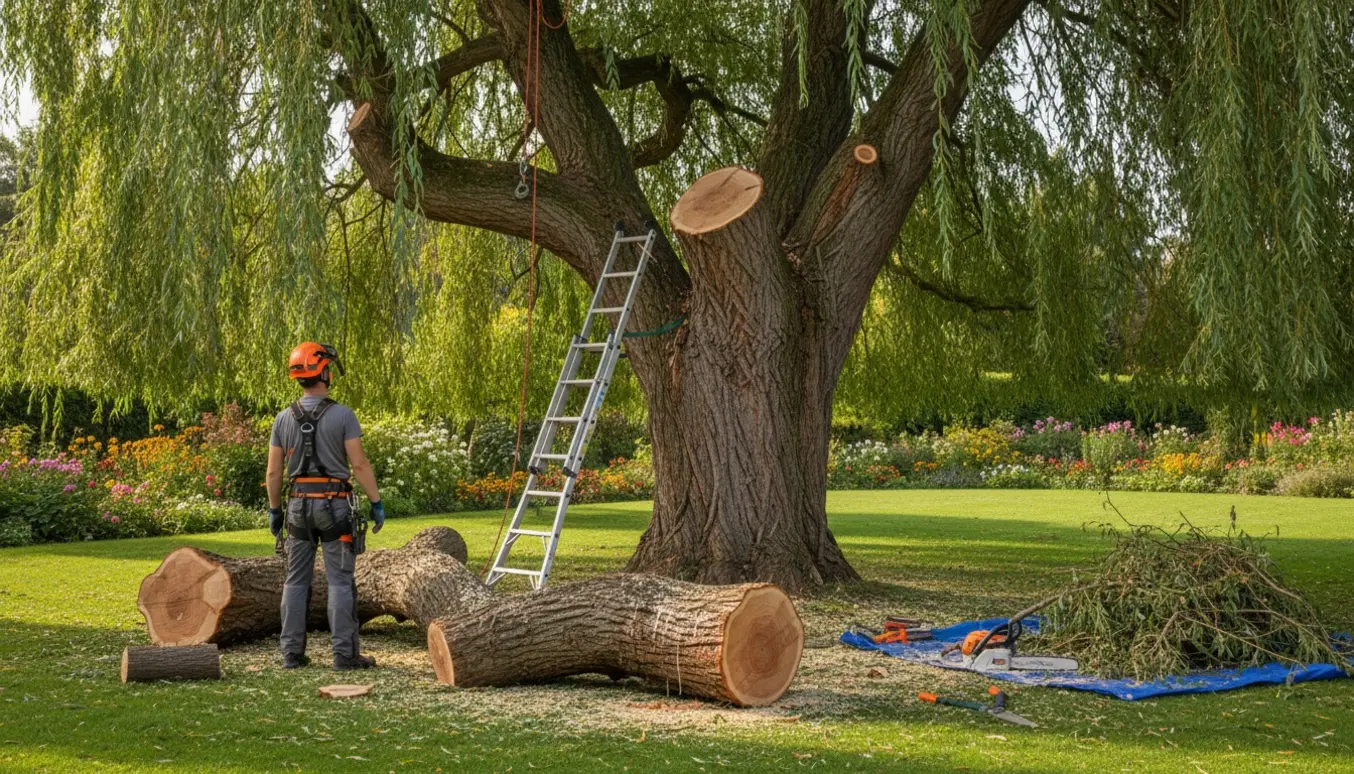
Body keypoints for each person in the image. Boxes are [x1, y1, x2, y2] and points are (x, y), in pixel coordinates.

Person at [265, 342, 385, 670]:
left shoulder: (282, 419)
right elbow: (359, 466)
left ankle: (291, 654)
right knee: (340, 581)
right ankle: (344, 655)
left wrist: (275, 511)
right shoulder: (343, 415)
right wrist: (376, 502)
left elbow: (274, 472)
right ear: (323, 372)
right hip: (334, 507)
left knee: (295, 580)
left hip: (298, 507)